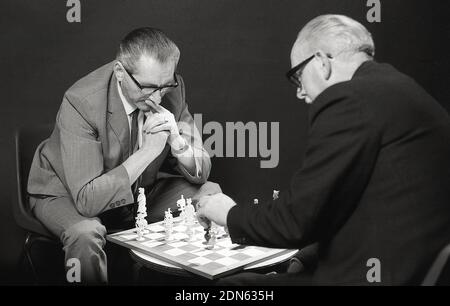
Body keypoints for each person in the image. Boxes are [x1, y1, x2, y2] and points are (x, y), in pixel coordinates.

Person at [196, 14, 450, 285]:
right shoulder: (399, 88)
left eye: (297, 77)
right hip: (405, 266)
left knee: (231, 288)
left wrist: (227, 213)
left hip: (373, 274)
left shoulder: (349, 99)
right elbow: (358, 206)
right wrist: (306, 258)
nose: (300, 92)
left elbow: (293, 221)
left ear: (321, 62)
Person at [27, 27, 220, 283]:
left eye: (165, 85)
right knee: (86, 232)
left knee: (210, 194)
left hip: (136, 192)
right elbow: (87, 201)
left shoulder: (169, 87)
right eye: (148, 87)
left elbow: (201, 169)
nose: (157, 96)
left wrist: (177, 140)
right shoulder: (82, 101)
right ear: (120, 72)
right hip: (65, 192)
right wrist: (148, 152)